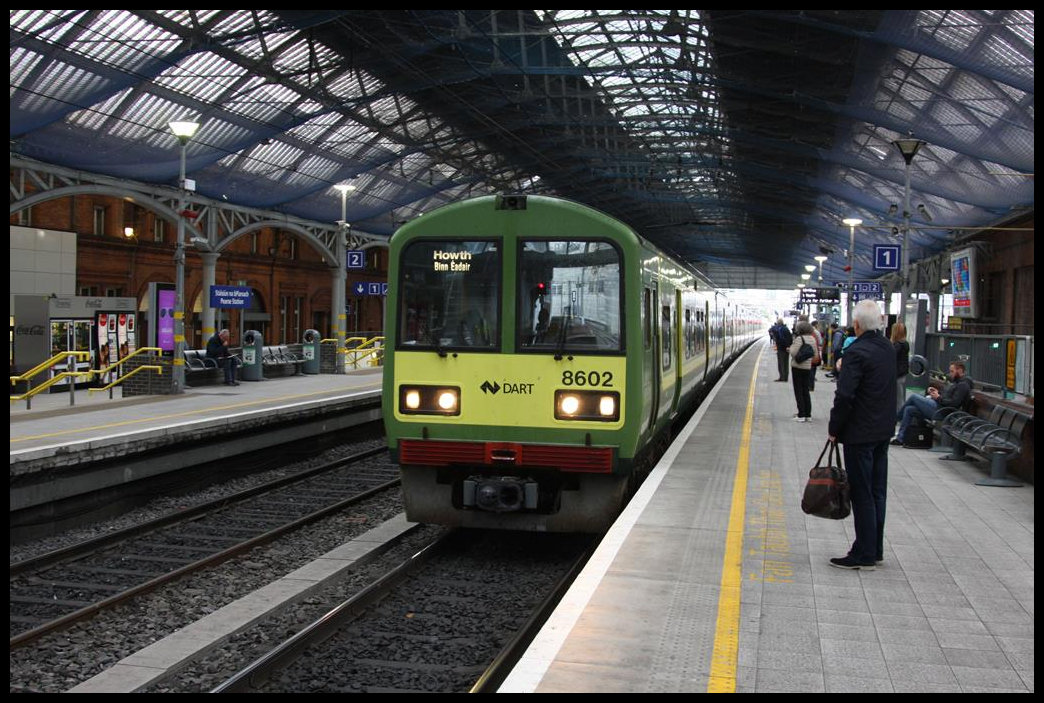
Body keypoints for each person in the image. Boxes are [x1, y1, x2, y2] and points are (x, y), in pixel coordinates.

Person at [827, 299, 896, 570]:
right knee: (877, 492)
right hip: (883, 432)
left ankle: (863, 554)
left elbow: (845, 396)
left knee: (862, 493)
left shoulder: (856, 352)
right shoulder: (887, 348)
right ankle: (875, 548)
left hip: (859, 433)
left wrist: (834, 429)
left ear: (856, 325)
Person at [893, 360, 972, 446]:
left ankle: (894, 420)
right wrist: (937, 393)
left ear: (960, 370)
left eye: (952, 371)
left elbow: (954, 403)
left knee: (914, 397)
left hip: (943, 412)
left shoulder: (963, 385)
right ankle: (900, 438)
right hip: (940, 408)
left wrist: (938, 397)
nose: (950, 373)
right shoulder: (957, 383)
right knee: (909, 409)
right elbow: (948, 398)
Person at [788, 320, 815, 422]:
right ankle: (808, 414)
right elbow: (815, 353)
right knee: (805, 391)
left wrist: (790, 348)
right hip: (808, 367)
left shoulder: (799, 339)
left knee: (798, 391)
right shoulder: (812, 339)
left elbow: (793, 353)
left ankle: (801, 414)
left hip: (798, 367)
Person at [890, 322, 910, 413]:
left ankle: (899, 415)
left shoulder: (897, 345)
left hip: (897, 374)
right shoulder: (905, 344)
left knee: (898, 398)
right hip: (902, 373)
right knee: (899, 396)